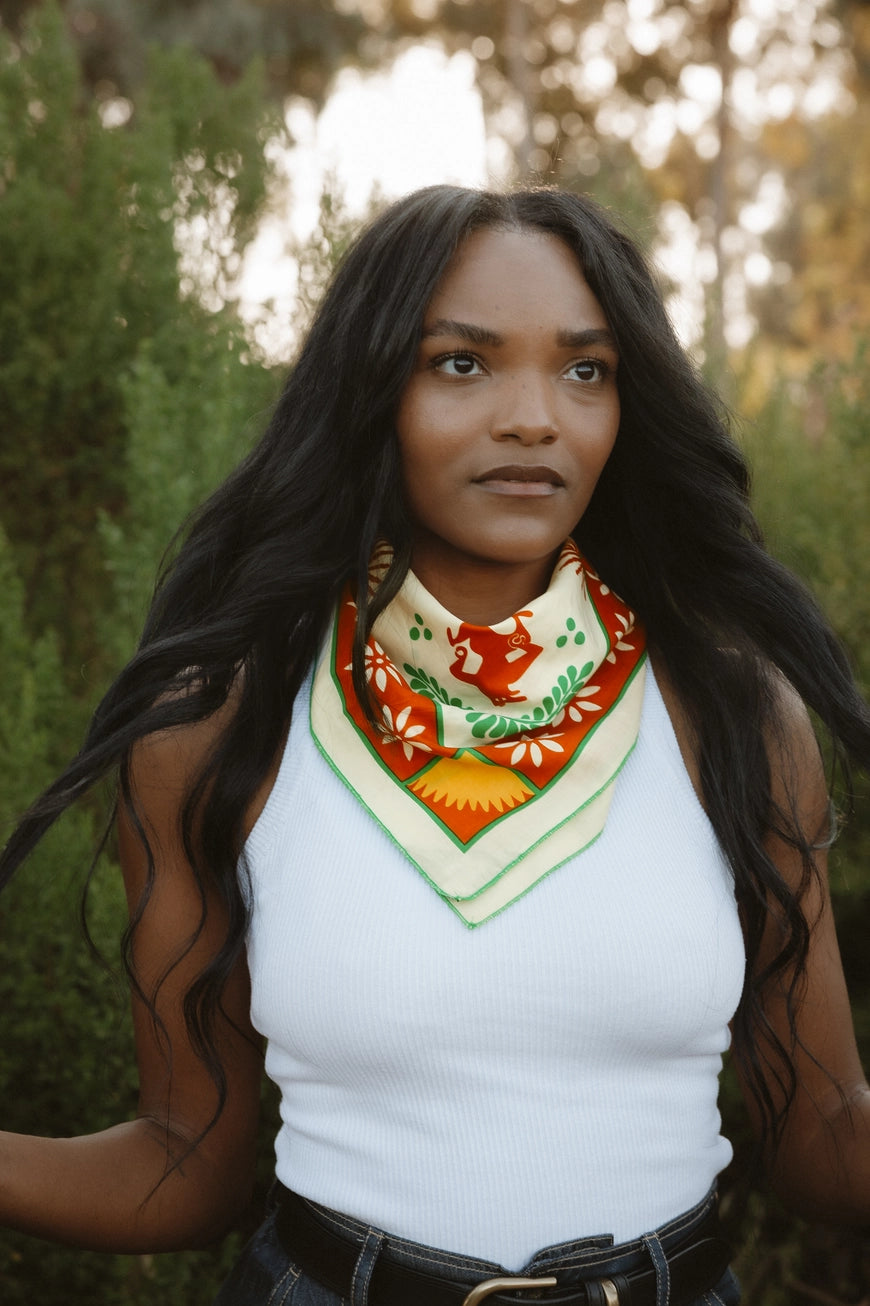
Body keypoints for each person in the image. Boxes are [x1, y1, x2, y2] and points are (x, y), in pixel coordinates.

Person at [2, 184, 870, 1306]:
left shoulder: (733, 713)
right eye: (462, 363)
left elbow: (822, 1134)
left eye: (585, 369)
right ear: (372, 393)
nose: (532, 417)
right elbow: (185, 1161)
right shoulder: (218, 727)